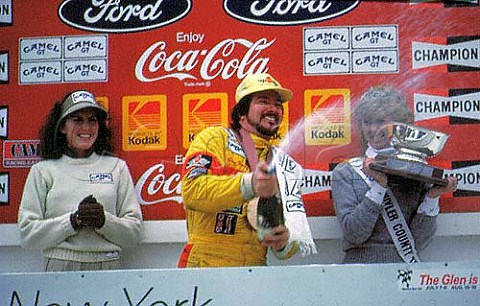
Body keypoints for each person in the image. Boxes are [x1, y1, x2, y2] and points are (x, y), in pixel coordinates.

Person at [178, 73, 316, 267]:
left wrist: (283, 242)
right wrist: (249, 183)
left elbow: (293, 235)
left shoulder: (285, 165)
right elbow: (192, 191)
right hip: (205, 266)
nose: (273, 109)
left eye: (278, 104)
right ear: (242, 112)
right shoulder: (214, 139)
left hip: (255, 273)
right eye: (263, 101)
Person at [18, 90, 143, 271]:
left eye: (92, 120)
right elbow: (28, 235)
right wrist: (73, 221)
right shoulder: (43, 171)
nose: (86, 128)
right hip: (60, 266)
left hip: (108, 265)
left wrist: (103, 221)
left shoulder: (117, 167)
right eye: (77, 120)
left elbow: (133, 235)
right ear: (62, 127)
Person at [331, 85, 457, 264]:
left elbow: (419, 241)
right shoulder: (346, 172)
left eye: (381, 121)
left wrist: (432, 196)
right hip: (358, 273)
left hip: (404, 272)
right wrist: (378, 186)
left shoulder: (416, 170)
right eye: (367, 122)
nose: (374, 129)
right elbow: (354, 234)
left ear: (400, 124)